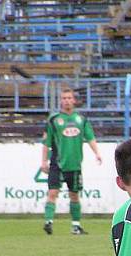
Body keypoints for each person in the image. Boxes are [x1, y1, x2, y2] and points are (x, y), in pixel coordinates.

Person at [40, 87, 102, 235]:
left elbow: (90, 138)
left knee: (74, 195)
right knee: (53, 192)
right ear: (61, 101)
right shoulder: (54, 120)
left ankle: (76, 226)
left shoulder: (81, 119)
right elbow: (46, 143)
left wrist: (97, 153)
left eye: (69, 98)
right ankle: (48, 222)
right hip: (57, 163)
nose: (67, 101)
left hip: (74, 164)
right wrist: (43, 162)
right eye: (64, 98)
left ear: (73, 100)